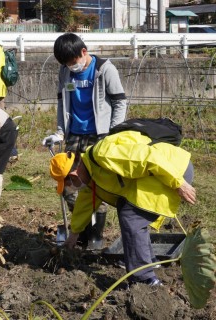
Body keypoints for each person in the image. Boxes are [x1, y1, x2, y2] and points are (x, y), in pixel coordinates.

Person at [49, 130, 196, 286]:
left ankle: (144, 279)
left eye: (68, 184)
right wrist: (73, 236)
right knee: (127, 207)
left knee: (131, 215)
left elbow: (149, 157)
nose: (71, 188)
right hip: (160, 173)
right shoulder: (91, 177)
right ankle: (147, 261)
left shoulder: (103, 154)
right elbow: (83, 206)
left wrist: (178, 183)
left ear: (73, 175)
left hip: (172, 169)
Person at [42, 32, 127, 249]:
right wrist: (60, 132)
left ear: (83, 52)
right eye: (66, 64)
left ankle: (95, 237)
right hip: (74, 136)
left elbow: (119, 102)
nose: (71, 67)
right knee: (68, 187)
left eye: (73, 62)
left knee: (96, 188)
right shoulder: (65, 72)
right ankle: (81, 231)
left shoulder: (104, 69)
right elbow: (63, 103)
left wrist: (113, 134)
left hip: (99, 137)